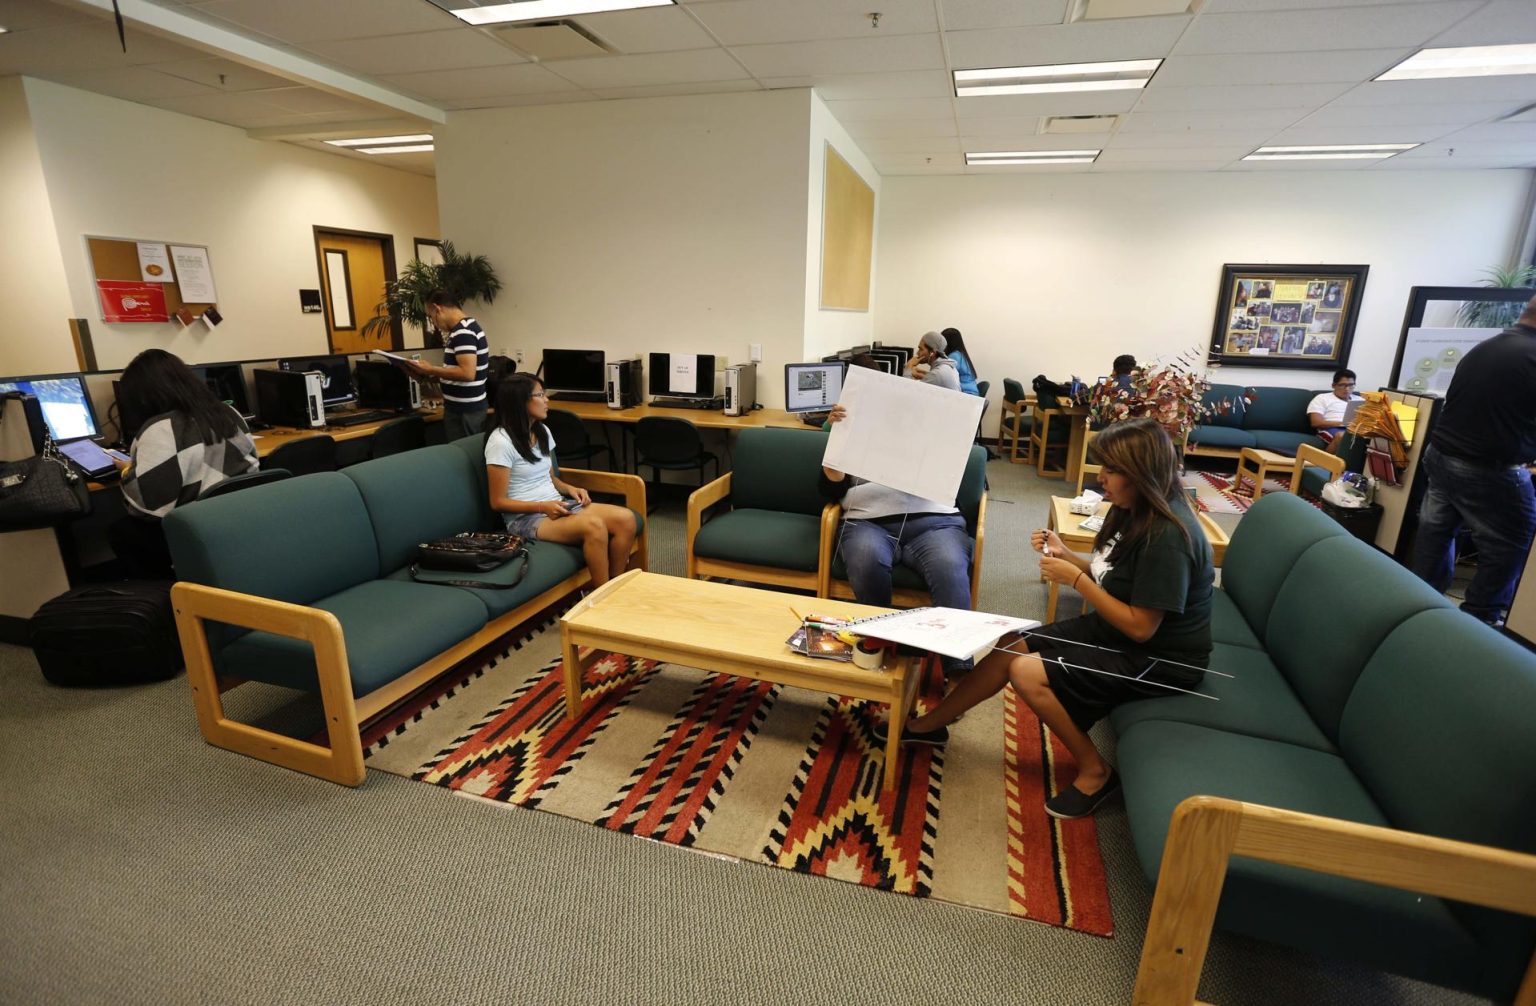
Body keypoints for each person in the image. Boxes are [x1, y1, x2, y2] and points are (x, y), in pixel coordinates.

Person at [876, 419, 1214, 819]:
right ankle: (931, 725)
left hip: (1162, 658)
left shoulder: (1168, 536)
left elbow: (1142, 627)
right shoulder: (1135, 509)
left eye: (1111, 469)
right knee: (1010, 642)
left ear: (1141, 472)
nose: (1100, 477)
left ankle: (1096, 771)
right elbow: (1117, 577)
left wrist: (1075, 581)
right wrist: (1068, 557)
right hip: (1124, 633)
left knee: (1027, 671)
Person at [819, 390, 975, 678]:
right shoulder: (853, 431)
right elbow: (829, 491)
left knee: (949, 566)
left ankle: (958, 669)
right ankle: (879, 643)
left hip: (935, 521)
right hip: (867, 521)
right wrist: (835, 452)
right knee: (865, 558)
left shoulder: (933, 437)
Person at [1410, 296, 1536, 628]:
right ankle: (1479, 623)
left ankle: (1421, 608)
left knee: (1435, 533)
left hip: (1441, 456)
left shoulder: (1489, 347)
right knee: (1509, 543)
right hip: (1487, 468)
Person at [110, 349, 260, 577]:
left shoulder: (160, 429)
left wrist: (127, 472)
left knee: (121, 531)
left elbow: (146, 508)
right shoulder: (228, 412)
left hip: (200, 528)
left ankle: (166, 597)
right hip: (244, 517)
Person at [485, 373, 637, 587]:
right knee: (594, 526)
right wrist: (542, 506)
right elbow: (497, 502)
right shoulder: (500, 442)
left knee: (626, 519)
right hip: (524, 519)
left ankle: (614, 586)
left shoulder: (541, 431)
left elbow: (549, 477)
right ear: (520, 401)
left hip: (555, 505)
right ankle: (600, 597)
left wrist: (570, 488)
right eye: (540, 395)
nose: (547, 400)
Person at [406, 290, 489, 442]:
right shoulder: (466, 328)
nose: (434, 324)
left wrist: (431, 369)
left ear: (438, 309)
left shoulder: (463, 332)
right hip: (463, 409)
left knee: (464, 457)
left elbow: (467, 373)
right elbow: (457, 374)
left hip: (465, 412)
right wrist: (425, 375)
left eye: (431, 317)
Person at [1306, 369, 1363, 438]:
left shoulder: (1360, 399)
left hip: (1357, 429)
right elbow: (1316, 422)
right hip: (1332, 428)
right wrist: (1343, 423)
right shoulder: (1322, 398)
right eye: (1342, 385)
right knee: (1343, 436)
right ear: (1333, 385)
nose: (1347, 389)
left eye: (1351, 385)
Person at [938, 327, 981, 396]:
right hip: (971, 392)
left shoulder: (954, 356)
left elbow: (943, 376)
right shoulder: (960, 354)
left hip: (966, 395)